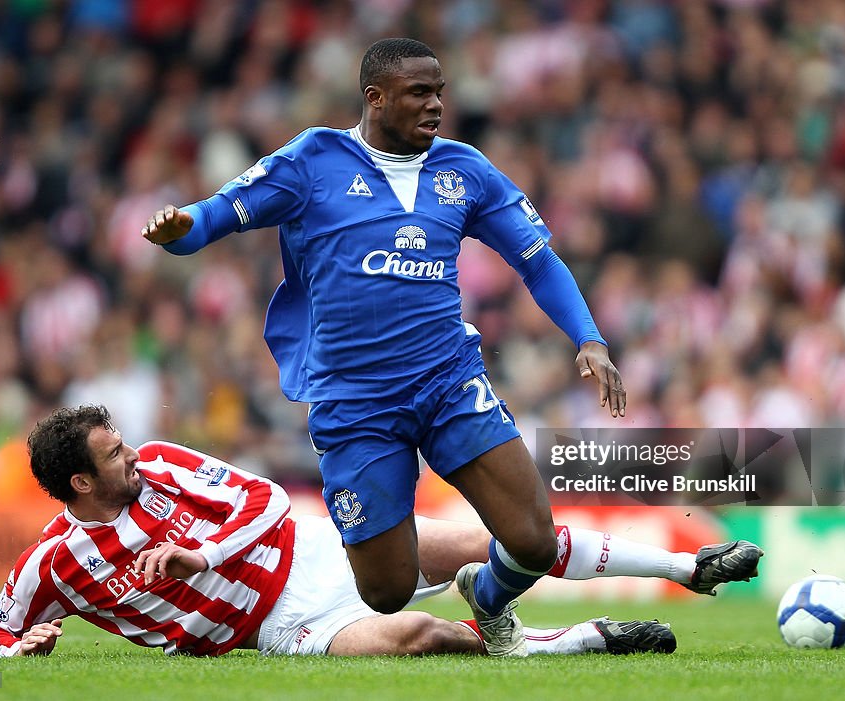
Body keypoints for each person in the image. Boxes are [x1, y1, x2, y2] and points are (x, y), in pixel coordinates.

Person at [141, 37, 630, 657]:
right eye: (419, 93)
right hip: (355, 403)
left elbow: (537, 261)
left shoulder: (465, 170)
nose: (436, 105)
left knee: (534, 542)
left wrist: (589, 338)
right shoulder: (313, 160)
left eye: (439, 93)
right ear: (375, 98)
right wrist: (179, 229)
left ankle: (487, 596)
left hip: (447, 382)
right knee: (387, 590)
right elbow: (213, 217)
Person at [0, 405, 762, 659]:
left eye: (123, 441)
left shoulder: (166, 464)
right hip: (282, 623)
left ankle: (686, 566)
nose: (132, 454)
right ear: (81, 484)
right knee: (417, 636)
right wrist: (16, 650)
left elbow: (267, 501)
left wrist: (199, 553)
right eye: (114, 454)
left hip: (312, 544)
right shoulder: (56, 561)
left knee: (495, 537)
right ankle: (577, 640)